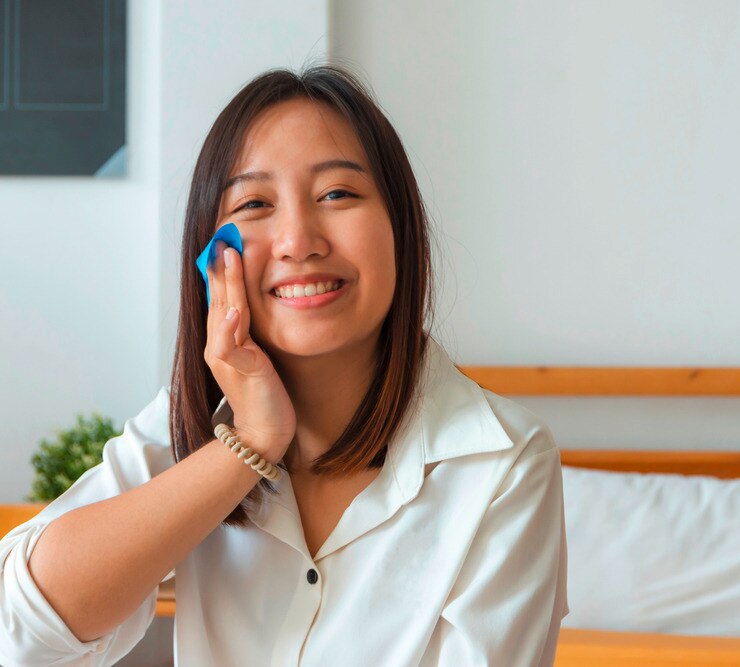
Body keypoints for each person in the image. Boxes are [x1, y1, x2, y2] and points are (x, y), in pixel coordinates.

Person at [0, 63, 569, 666]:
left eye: (337, 194)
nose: (299, 240)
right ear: (212, 253)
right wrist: (249, 443)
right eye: (254, 203)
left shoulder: (501, 462)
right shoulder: (191, 422)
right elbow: (20, 632)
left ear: (400, 225)